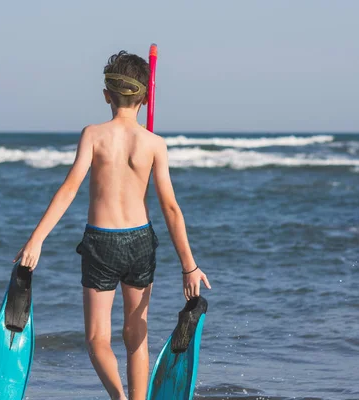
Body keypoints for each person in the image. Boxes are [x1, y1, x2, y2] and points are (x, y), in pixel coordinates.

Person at [13, 50, 211, 400]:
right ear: (147, 97)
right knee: (136, 337)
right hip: (140, 241)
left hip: (101, 243)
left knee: (97, 339)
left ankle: (118, 397)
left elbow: (69, 188)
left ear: (107, 95)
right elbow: (170, 208)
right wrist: (189, 266)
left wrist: (36, 240)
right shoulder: (154, 144)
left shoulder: (93, 135)